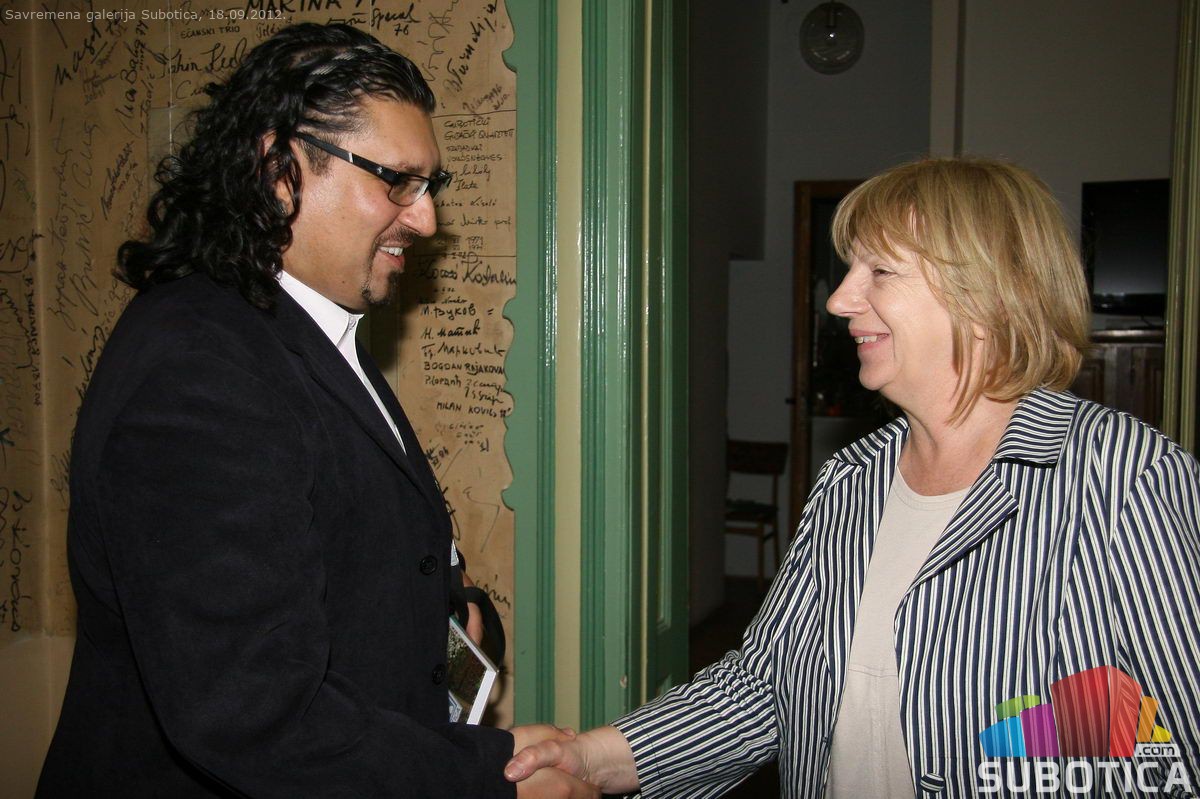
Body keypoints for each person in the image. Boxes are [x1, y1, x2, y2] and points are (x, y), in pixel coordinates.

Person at [504, 157, 1200, 797]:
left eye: (880, 272)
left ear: (989, 294)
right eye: (849, 270)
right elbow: (762, 690)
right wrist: (589, 757)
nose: (839, 300)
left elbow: (1173, 752)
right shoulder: (850, 481)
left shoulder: (1127, 480)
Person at [37, 23, 593, 799]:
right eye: (397, 181)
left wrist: (461, 620)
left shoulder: (306, 330)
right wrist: (485, 781)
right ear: (279, 169)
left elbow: (369, 556)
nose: (426, 220)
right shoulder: (200, 369)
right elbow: (250, 711)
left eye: (429, 185)